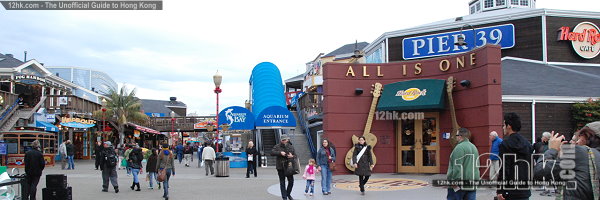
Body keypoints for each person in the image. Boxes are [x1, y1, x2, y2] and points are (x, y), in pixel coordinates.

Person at [534, 121, 600, 200]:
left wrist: (552, 149)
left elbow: (541, 172)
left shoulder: (580, 152)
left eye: (580, 136)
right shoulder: (593, 156)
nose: (576, 141)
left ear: (590, 137)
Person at [496, 112, 533, 200]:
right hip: (524, 189)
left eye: (504, 125)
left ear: (509, 126)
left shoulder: (505, 144)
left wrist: (500, 190)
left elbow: (504, 169)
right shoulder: (527, 144)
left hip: (510, 190)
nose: (503, 127)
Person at [447, 128, 480, 200]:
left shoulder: (459, 147)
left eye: (456, 135)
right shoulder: (473, 147)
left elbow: (457, 167)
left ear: (460, 136)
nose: (455, 137)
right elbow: (477, 166)